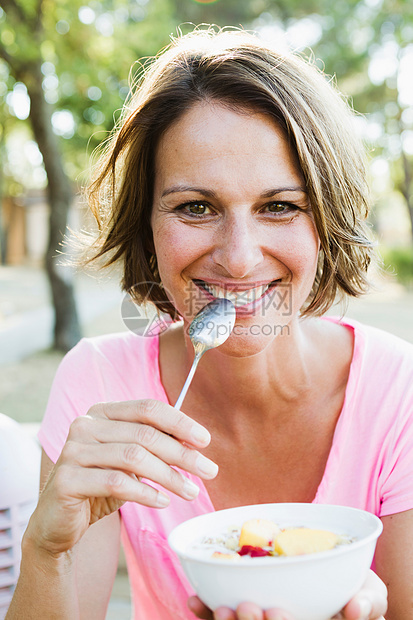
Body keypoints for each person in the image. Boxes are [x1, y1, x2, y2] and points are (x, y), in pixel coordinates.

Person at [6, 26, 412, 620]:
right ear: (146, 223)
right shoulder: (99, 386)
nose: (240, 257)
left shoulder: (400, 393)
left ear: (325, 220)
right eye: (195, 207)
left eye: (280, 206)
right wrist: (47, 552)